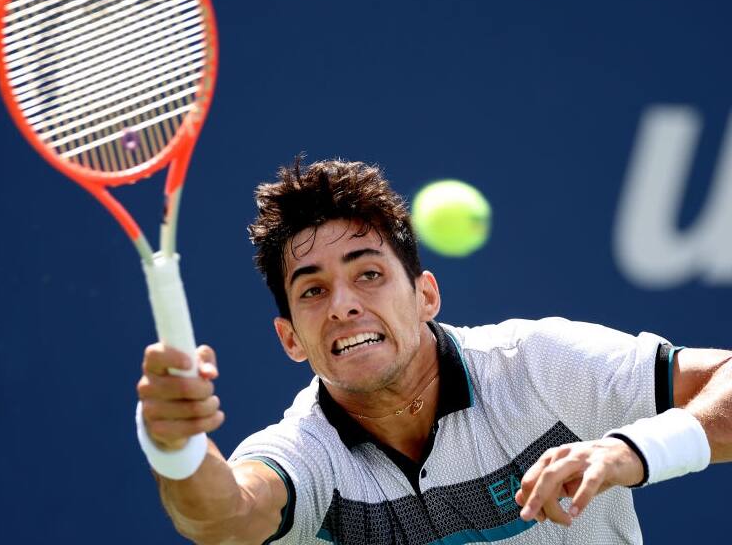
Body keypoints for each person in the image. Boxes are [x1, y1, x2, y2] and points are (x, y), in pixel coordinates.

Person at [136, 157, 731, 544]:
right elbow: (224, 516)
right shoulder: (304, 454)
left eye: (368, 274)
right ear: (291, 338)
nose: (342, 305)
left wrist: (633, 450)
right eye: (312, 290)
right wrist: (173, 444)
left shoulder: (539, 366)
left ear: (426, 296)